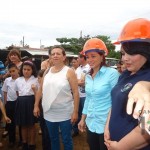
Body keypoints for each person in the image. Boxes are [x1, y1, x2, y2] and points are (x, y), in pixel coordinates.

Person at [104, 18, 150, 150]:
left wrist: (121, 146)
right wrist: (107, 127)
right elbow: (115, 104)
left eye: (132, 52)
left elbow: (147, 126)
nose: (125, 58)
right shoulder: (124, 75)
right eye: (123, 53)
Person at [34, 45, 79, 150]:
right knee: (53, 139)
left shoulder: (69, 71)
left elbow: (76, 92)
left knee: (66, 139)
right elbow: (40, 90)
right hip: (49, 112)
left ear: (64, 57)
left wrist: (75, 112)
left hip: (65, 112)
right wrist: (36, 105)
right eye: (53, 54)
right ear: (50, 57)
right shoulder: (47, 71)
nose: (55, 56)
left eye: (58, 53)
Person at [78, 38, 120, 150]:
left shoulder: (112, 73)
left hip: (107, 125)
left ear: (102, 56)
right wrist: (83, 119)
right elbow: (88, 99)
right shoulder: (87, 76)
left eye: (93, 56)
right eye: (87, 57)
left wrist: (109, 124)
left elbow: (116, 100)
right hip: (91, 122)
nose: (89, 60)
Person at [15, 60, 38, 150]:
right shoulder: (18, 80)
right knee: (23, 125)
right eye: (24, 69)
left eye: (28, 69)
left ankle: (32, 143)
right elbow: (17, 92)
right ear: (22, 70)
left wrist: (36, 105)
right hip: (21, 102)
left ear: (32, 70)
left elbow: (38, 94)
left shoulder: (36, 79)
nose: (26, 71)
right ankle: (24, 143)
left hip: (31, 102)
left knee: (31, 125)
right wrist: (21, 100)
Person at [72, 51, 90, 137]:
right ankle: (75, 130)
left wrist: (78, 82)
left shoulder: (89, 67)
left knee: (87, 114)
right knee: (76, 113)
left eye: (78, 58)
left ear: (83, 58)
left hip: (86, 96)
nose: (77, 59)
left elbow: (84, 82)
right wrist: (78, 82)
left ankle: (89, 132)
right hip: (77, 95)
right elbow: (74, 81)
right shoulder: (78, 69)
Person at [2, 63, 19, 148]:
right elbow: (5, 92)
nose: (12, 73)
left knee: (19, 122)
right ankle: (11, 140)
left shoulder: (21, 80)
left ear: (17, 70)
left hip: (18, 103)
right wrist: (6, 102)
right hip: (9, 103)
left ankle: (22, 140)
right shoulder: (7, 80)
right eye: (10, 71)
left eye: (14, 71)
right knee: (10, 123)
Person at [36, 69, 51, 150]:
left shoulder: (48, 87)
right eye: (38, 78)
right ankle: (45, 146)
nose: (38, 80)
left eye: (40, 78)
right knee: (43, 128)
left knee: (47, 130)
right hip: (42, 110)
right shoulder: (39, 86)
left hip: (48, 111)